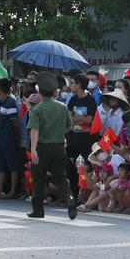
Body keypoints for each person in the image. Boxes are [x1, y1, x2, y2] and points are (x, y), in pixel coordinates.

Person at [27, 75, 76, 219]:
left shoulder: (37, 110)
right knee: (60, 177)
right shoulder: (63, 107)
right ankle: (70, 198)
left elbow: (34, 130)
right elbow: (70, 126)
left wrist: (33, 150)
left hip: (42, 146)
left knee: (38, 178)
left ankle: (38, 210)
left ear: (40, 92)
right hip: (59, 146)